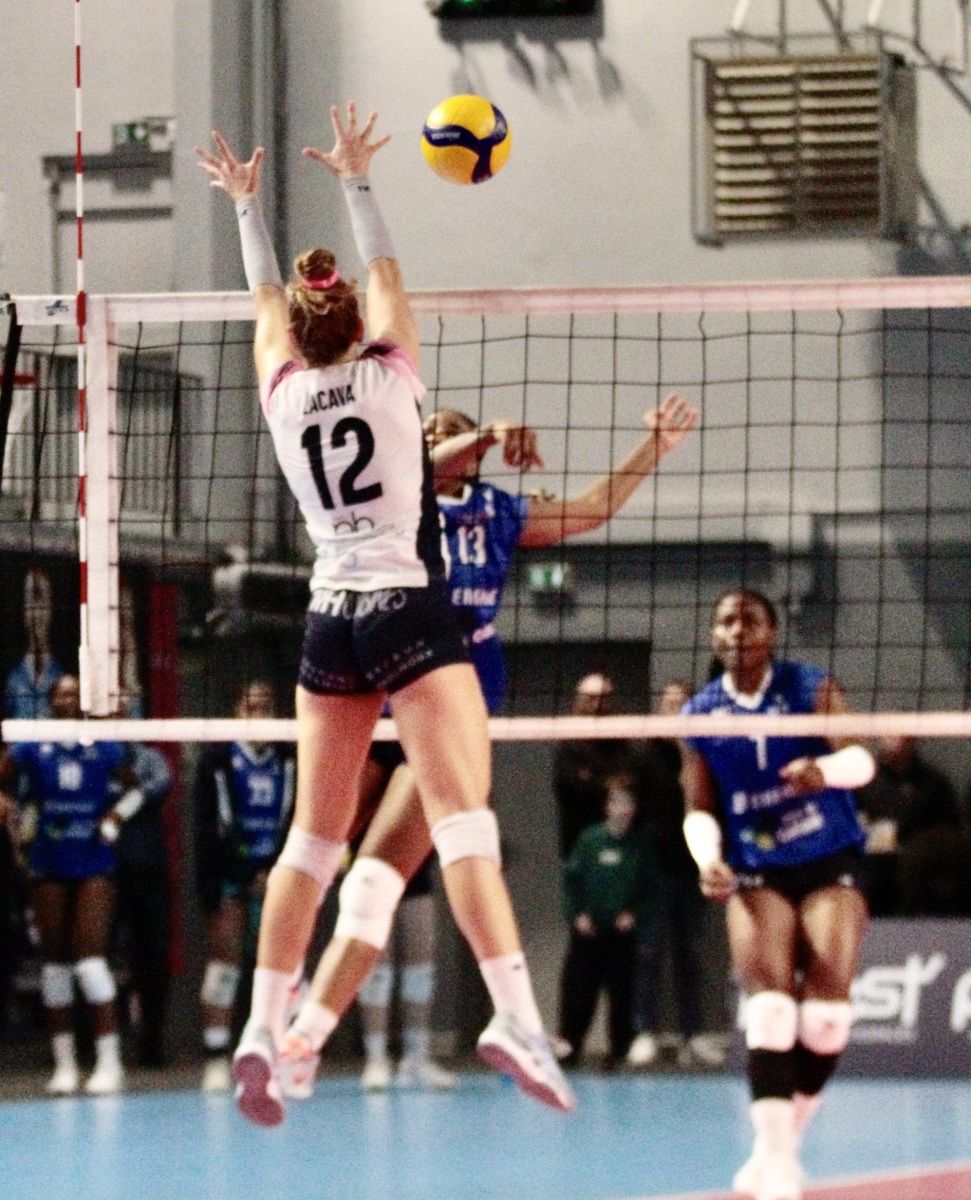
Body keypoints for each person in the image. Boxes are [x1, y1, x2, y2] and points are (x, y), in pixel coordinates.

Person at [196, 103, 575, 1125]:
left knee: (310, 845)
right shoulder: (392, 372)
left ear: (299, 334)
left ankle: (261, 1029)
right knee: (463, 823)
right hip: (408, 607)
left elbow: (265, 299)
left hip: (329, 615)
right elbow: (386, 271)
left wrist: (244, 206)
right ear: (359, 321)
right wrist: (357, 178)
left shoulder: (282, 394)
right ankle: (514, 1017)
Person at [279, 389, 698, 1097]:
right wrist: (484, 434)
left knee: (377, 878)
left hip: (454, 692)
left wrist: (652, 447)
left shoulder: (498, 512)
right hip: (373, 681)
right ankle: (275, 1003)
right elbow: (409, 465)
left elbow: (592, 508)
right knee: (311, 851)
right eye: (427, 429)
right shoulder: (388, 498)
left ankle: (306, 1037)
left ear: (475, 457)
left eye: (452, 430)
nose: (435, 434)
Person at [679, 589, 876, 1200]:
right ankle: (779, 1161)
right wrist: (707, 859)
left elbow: (862, 760)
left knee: (826, 1019)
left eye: (750, 620)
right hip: (757, 866)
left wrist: (824, 772)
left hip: (828, 855)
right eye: (726, 621)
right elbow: (698, 806)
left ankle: (778, 1145)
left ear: (771, 632)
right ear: (714, 636)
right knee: (769, 1008)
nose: (738, 630)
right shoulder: (700, 713)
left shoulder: (809, 687)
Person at [0, 675, 142, 1095]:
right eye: (60, 693)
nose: (67, 698)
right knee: (55, 963)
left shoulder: (102, 743)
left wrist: (117, 816)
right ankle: (64, 1066)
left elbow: (137, 788)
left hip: (93, 856)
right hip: (47, 855)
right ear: (50, 700)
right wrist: (6, 803)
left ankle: (110, 1063)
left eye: (74, 693)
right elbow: (4, 778)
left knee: (90, 959)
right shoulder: (33, 743)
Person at [193, 680, 296, 1092]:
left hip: (279, 874)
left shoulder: (290, 757)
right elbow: (210, 829)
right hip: (229, 875)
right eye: (252, 705)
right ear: (238, 709)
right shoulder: (217, 758)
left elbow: (299, 818)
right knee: (224, 965)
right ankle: (216, 1058)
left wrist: (275, 870)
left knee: (285, 968)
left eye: (267, 704)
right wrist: (244, 874)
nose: (260, 712)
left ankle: (283, 1057)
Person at [626, 680, 728, 1070]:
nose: (675, 710)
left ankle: (693, 1036)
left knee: (691, 956)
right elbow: (631, 815)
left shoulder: (704, 755)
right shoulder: (642, 756)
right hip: (653, 873)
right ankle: (644, 1034)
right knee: (648, 955)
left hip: (692, 871)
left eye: (682, 704)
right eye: (668, 704)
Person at [557, 771, 659, 1068]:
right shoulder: (589, 840)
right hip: (588, 932)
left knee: (621, 994)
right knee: (579, 992)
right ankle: (570, 1048)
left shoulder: (640, 845)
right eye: (616, 802)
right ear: (607, 806)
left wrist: (634, 914)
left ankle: (618, 1050)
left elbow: (652, 890)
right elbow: (571, 882)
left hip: (621, 935)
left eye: (628, 803)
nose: (622, 809)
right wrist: (577, 915)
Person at [112, 740, 174, 1068]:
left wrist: (128, 792)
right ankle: (93, 1043)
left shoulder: (151, 759)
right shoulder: (85, 753)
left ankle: (151, 1041)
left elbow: (160, 785)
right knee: (93, 957)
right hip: (99, 868)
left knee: (152, 957)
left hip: (147, 870)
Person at [855, 735, 961, 915]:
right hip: (871, 871)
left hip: (922, 879)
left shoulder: (934, 785)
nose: (897, 739)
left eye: (904, 735)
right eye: (890, 732)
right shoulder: (861, 782)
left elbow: (949, 835)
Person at [553, 674, 634, 860]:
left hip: (621, 841)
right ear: (578, 702)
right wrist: (607, 784)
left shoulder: (622, 743)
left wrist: (596, 781)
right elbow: (570, 788)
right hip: (579, 844)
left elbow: (630, 783)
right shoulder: (567, 746)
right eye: (590, 699)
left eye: (603, 699)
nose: (597, 705)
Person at [4, 568, 63, 719]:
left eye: (42, 605)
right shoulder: (13, 675)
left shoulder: (61, 671)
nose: (36, 615)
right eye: (30, 605)